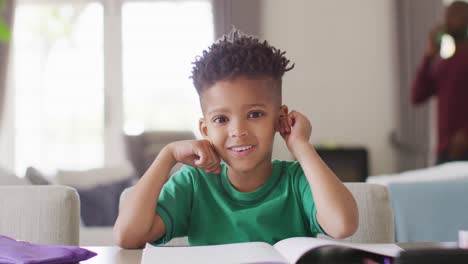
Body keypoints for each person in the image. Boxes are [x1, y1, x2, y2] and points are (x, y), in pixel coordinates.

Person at [113, 29, 358, 249]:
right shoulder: (194, 183)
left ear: (280, 118)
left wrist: (301, 145)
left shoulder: (296, 181)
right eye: (221, 119)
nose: (238, 131)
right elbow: (127, 237)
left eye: (255, 114)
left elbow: (342, 225)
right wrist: (167, 156)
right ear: (205, 129)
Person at [412, 1, 468, 164]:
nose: (449, 19)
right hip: (445, 151)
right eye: (448, 15)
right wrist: (429, 55)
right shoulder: (443, 64)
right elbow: (417, 96)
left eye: (455, 14)